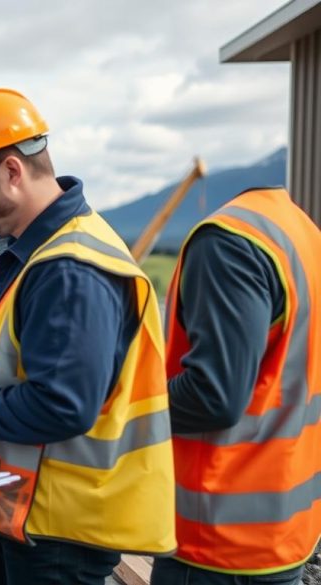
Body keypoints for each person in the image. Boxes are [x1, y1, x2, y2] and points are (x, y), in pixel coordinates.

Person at [0, 88, 176, 584]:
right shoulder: (13, 243)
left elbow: (62, 405)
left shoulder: (72, 271)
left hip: (57, 532)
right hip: (3, 505)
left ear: (11, 171)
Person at [150, 187, 321, 585]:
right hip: (283, 531)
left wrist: (122, 400)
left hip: (215, 542)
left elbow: (214, 398)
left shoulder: (227, 241)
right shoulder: (301, 232)